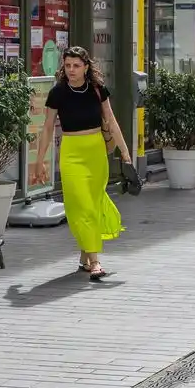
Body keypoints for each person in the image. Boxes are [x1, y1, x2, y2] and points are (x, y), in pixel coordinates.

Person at [30, 46, 133, 280]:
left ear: (86, 67)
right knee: (82, 206)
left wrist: (125, 153)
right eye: (67, 65)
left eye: (76, 65)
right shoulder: (58, 92)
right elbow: (47, 128)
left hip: (96, 153)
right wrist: (39, 161)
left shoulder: (97, 89)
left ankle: (85, 255)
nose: (71, 70)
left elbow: (111, 121)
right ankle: (95, 262)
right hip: (72, 153)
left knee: (92, 206)